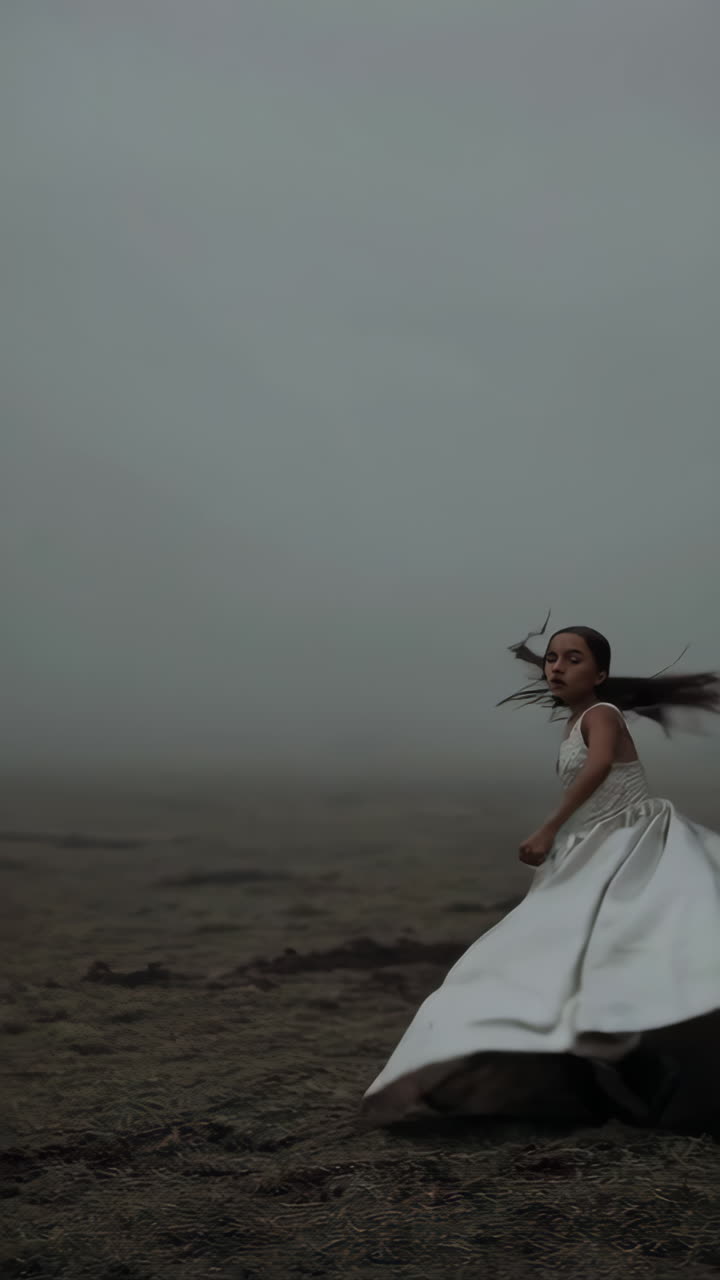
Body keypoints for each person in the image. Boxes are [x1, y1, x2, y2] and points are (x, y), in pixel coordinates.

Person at [359, 616, 720, 1129]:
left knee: (605, 950)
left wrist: (550, 828)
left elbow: (597, 771)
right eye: (552, 658)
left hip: (629, 844)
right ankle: (619, 1069)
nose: (556, 667)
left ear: (599, 674)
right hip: (597, 846)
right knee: (556, 955)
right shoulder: (579, 719)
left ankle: (635, 1066)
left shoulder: (602, 714)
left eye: (573, 659)